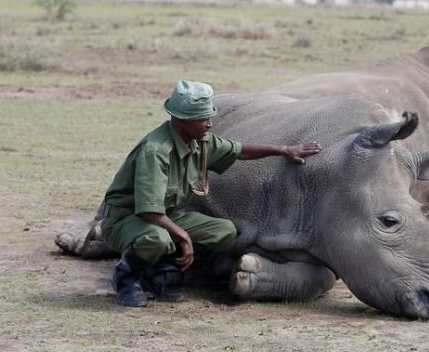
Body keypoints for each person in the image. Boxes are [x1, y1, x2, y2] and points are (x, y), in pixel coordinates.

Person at [100, 80, 322, 307]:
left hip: (166, 215)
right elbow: (149, 211)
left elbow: (240, 151)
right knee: (157, 238)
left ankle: (159, 270)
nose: (210, 123)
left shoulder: (199, 142)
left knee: (223, 231)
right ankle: (126, 276)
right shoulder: (155, 151)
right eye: (203, 119)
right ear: (182, 121)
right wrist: (183, 237)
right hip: (127, 218)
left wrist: (284, 150)